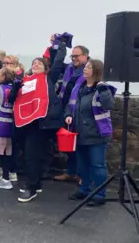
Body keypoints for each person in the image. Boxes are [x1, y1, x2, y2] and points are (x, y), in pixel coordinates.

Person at [8, 58, 63, 202]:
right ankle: (36, 183)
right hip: (25, 123)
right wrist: (16, 83)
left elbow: (57, 63)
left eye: (39, 63)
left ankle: (31, 188)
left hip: (40, 123)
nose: (36, 64)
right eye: (33, 63)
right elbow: (11, 98)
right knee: (31, 155)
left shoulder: (48, 79)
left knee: (31, 156)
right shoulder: (24, 80)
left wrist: (60, 45)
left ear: (46, 68)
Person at [65, 59, 116, 206]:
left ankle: (100, 195)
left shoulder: (102, 89)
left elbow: (108, 105)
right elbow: (70, 105)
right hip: (80, 133)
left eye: (89, 67)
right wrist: (68, 115)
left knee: (97, 165)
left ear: (96, 71)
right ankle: (84, 190)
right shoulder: (78, 87)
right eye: (85, 67)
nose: (85, 69)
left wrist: (103, 90)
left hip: (97, 134)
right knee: (83, 165)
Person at [50, 42, 88, 184]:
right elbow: (56, 65)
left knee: (80, 146)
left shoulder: (89, 70)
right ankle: (71, 172)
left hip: (80, 114)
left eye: (76, 56)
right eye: (72, 56)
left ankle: (81, 175)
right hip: (65, 111)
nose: (74, 58)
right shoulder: (69, 69)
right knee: (68, 145)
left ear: (85, 56)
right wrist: (56, 46)